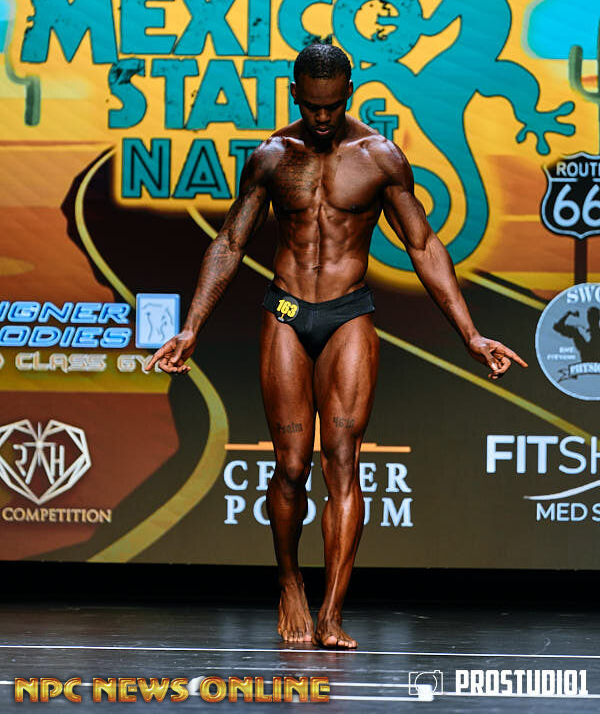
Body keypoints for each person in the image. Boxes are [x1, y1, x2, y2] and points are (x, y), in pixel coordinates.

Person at [146, 43, 527, 649]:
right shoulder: (272, 157)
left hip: (348, 313)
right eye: (312, 107)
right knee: (292, 467)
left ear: (349, 91)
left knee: (343, 461)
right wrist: (192, 326)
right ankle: (290, 581)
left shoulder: (380, 157)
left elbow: (423, 244)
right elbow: (230, 241)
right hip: (287, 311)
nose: (323, 118)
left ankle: (331, 611)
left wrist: (470, 333)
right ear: (295, 93)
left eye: (333, 106)